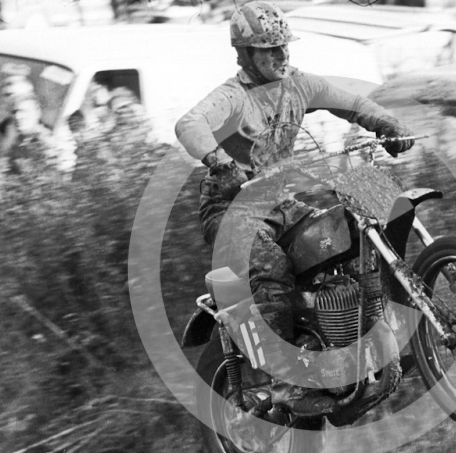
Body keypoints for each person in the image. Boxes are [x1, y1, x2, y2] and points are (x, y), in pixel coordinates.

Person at [175, 1, 413, 417]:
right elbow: (189, 124)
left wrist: (387, 124)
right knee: (272, 270)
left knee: (347, 235)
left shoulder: (299, 84)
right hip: (232, 207)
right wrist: (219, 161)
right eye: (270, 50)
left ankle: (356, 343)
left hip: (280, 201)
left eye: (284, 47)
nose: (282, 56)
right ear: (245, 54)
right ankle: (283, 381)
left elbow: (352, 102)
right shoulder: (233, 97)